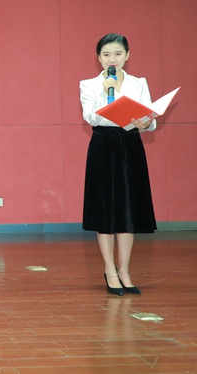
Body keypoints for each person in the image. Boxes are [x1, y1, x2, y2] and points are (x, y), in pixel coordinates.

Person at [80, 33, 156, 296]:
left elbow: (150, 119)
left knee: (127, 210)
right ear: (99, 58)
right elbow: (90, 117)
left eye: (117, 53)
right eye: (106, 54)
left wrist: (147, 122)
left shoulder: (138, 83)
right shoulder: (89, 85)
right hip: (103, 145)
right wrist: (105, 92)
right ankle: (109, 270)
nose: (112, 59)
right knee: (106, 210)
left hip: (130, 145)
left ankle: (125, 271)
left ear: (127, 56)